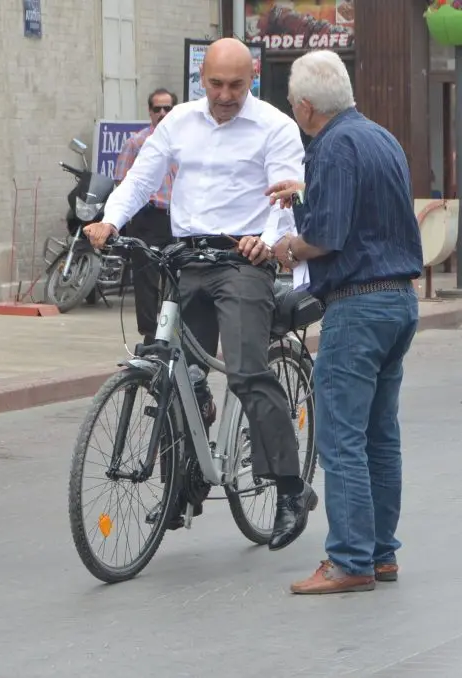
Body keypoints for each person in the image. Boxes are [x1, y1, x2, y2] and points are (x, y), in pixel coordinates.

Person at [84, 38, 315, 550]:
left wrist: (270, 239)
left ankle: (290, 491)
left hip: (242, 261)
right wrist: (109, 221)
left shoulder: (274, 126)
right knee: (170, 369)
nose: (226, 95)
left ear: (252, 78)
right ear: (202, 80)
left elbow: (289, 193)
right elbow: (141, 178)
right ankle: (178, 485)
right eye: (216, 84)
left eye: (237, 85)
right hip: (184, 257)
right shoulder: (180, 122)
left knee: (247, 371)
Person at [265, 50, 423, 594]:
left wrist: (287, 246)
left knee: (341, 438)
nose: (292, 112)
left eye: (292, 105)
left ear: (307, 107)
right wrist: (304, 194)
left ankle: (349, 559)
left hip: (358, 304)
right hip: (398, 299)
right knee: (380, 435)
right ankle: (381, 554)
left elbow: (327, 237)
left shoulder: (330, 147)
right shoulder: (380, 137)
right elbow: (364, 209)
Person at [114, 88, 178, 345]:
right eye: (157, 109)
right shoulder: (136, 143)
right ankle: (151, 337)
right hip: (149, 218)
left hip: (177, 219)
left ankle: (175, 332)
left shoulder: (184, 142)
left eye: (168, 108)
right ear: (150, 112)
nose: (162, 113)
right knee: (147, 280)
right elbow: (122, 183)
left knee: (178, 278)